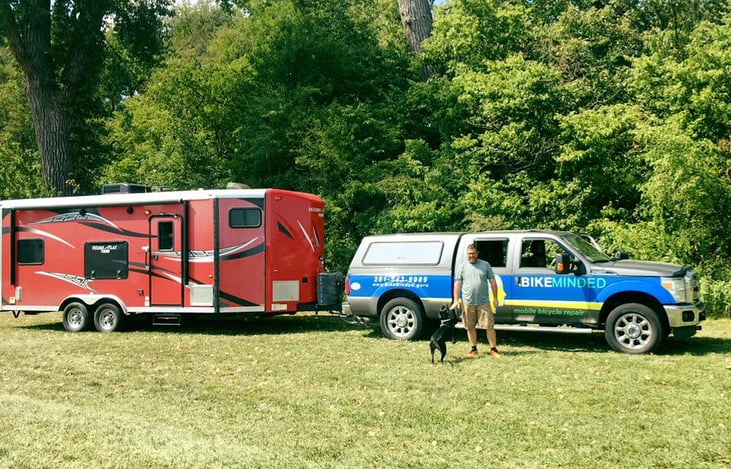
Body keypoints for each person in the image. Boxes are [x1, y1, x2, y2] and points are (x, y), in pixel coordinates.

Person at [450, 244, 501, 358]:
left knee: (489, 326)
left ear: (477, 253)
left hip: (483, 302)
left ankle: (493, 349)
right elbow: (457, 284)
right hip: (468, 302)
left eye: (473, 253)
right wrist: (456, 300)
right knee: (470, 326)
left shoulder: (485, 265)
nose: (471, 256)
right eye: (469, 254)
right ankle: (473, 349)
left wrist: (495, 298)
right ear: (467, 254)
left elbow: (493, 282)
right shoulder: (462, 267)